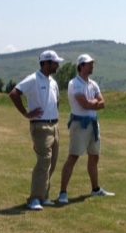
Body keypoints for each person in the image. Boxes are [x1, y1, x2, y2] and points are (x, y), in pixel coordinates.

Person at [9, 50, 64, 211]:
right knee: (43, 161)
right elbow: (14, 93)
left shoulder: (52, 81)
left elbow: (57, 100)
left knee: (52, 162)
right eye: (55, 63)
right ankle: (34, 198)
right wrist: (26, 113)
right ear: (46, 63)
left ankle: (43, 196)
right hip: (40, 125)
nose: (57, 65)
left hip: (54, 125)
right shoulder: (33, 79)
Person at [57, 54, 113, 203]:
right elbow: (84, 104)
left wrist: (92, 101)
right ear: (81, 66)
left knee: (94, 157)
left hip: (93, 123)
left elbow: (103, 103)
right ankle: (63, 192)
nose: (92, 66)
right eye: (89, 64)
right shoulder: (74, 83)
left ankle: (95, 189)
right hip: (79, 124)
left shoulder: (93, 84)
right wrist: (95, 102)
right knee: (73, 157)